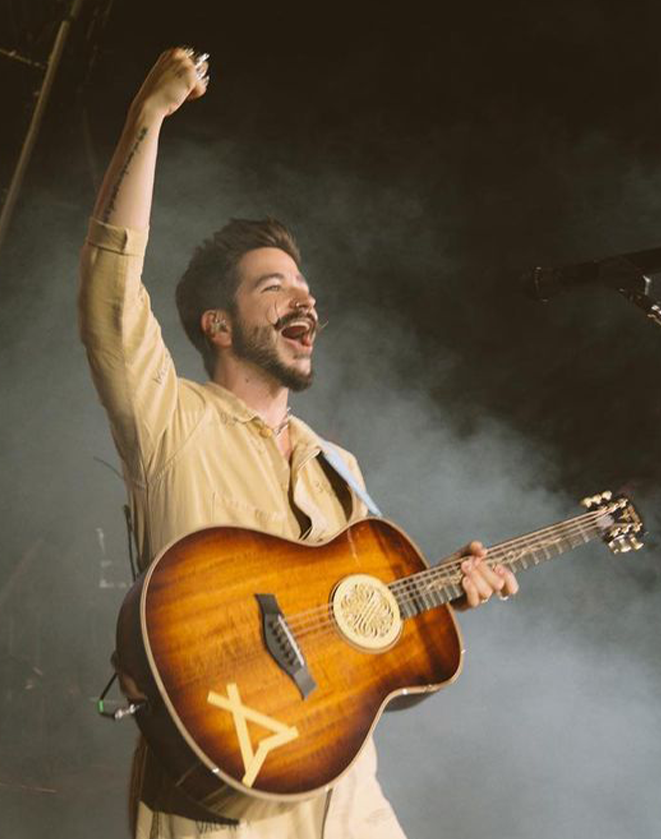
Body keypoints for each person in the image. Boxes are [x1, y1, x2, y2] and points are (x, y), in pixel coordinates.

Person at [78, 47, 519, 839]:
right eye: (272, 284)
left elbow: (372, 658)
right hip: (219, 799)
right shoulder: (170, 418)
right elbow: (110, 287)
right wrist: (147, 117)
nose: (303, 295)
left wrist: (446, 594)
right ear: (218, 324)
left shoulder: (338, 468)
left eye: (305, 285)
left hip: (348, 802)